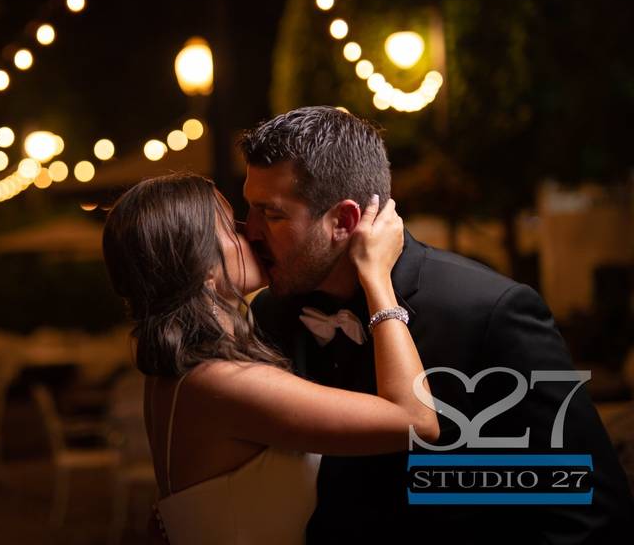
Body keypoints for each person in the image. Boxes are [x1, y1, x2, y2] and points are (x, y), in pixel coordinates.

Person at [240, 106, 634, 544]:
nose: (249, 231)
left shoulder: (490, 311)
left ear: (344, 221)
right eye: (249, 209)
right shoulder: (270, 316)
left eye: (270, 214)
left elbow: (586, 502)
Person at [102, 172, 438, 545]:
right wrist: (377, 278)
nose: (252, 232)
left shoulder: (183, 372)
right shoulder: (223, 383)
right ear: (201, 267)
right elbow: (417, 420)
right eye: (231, 227)